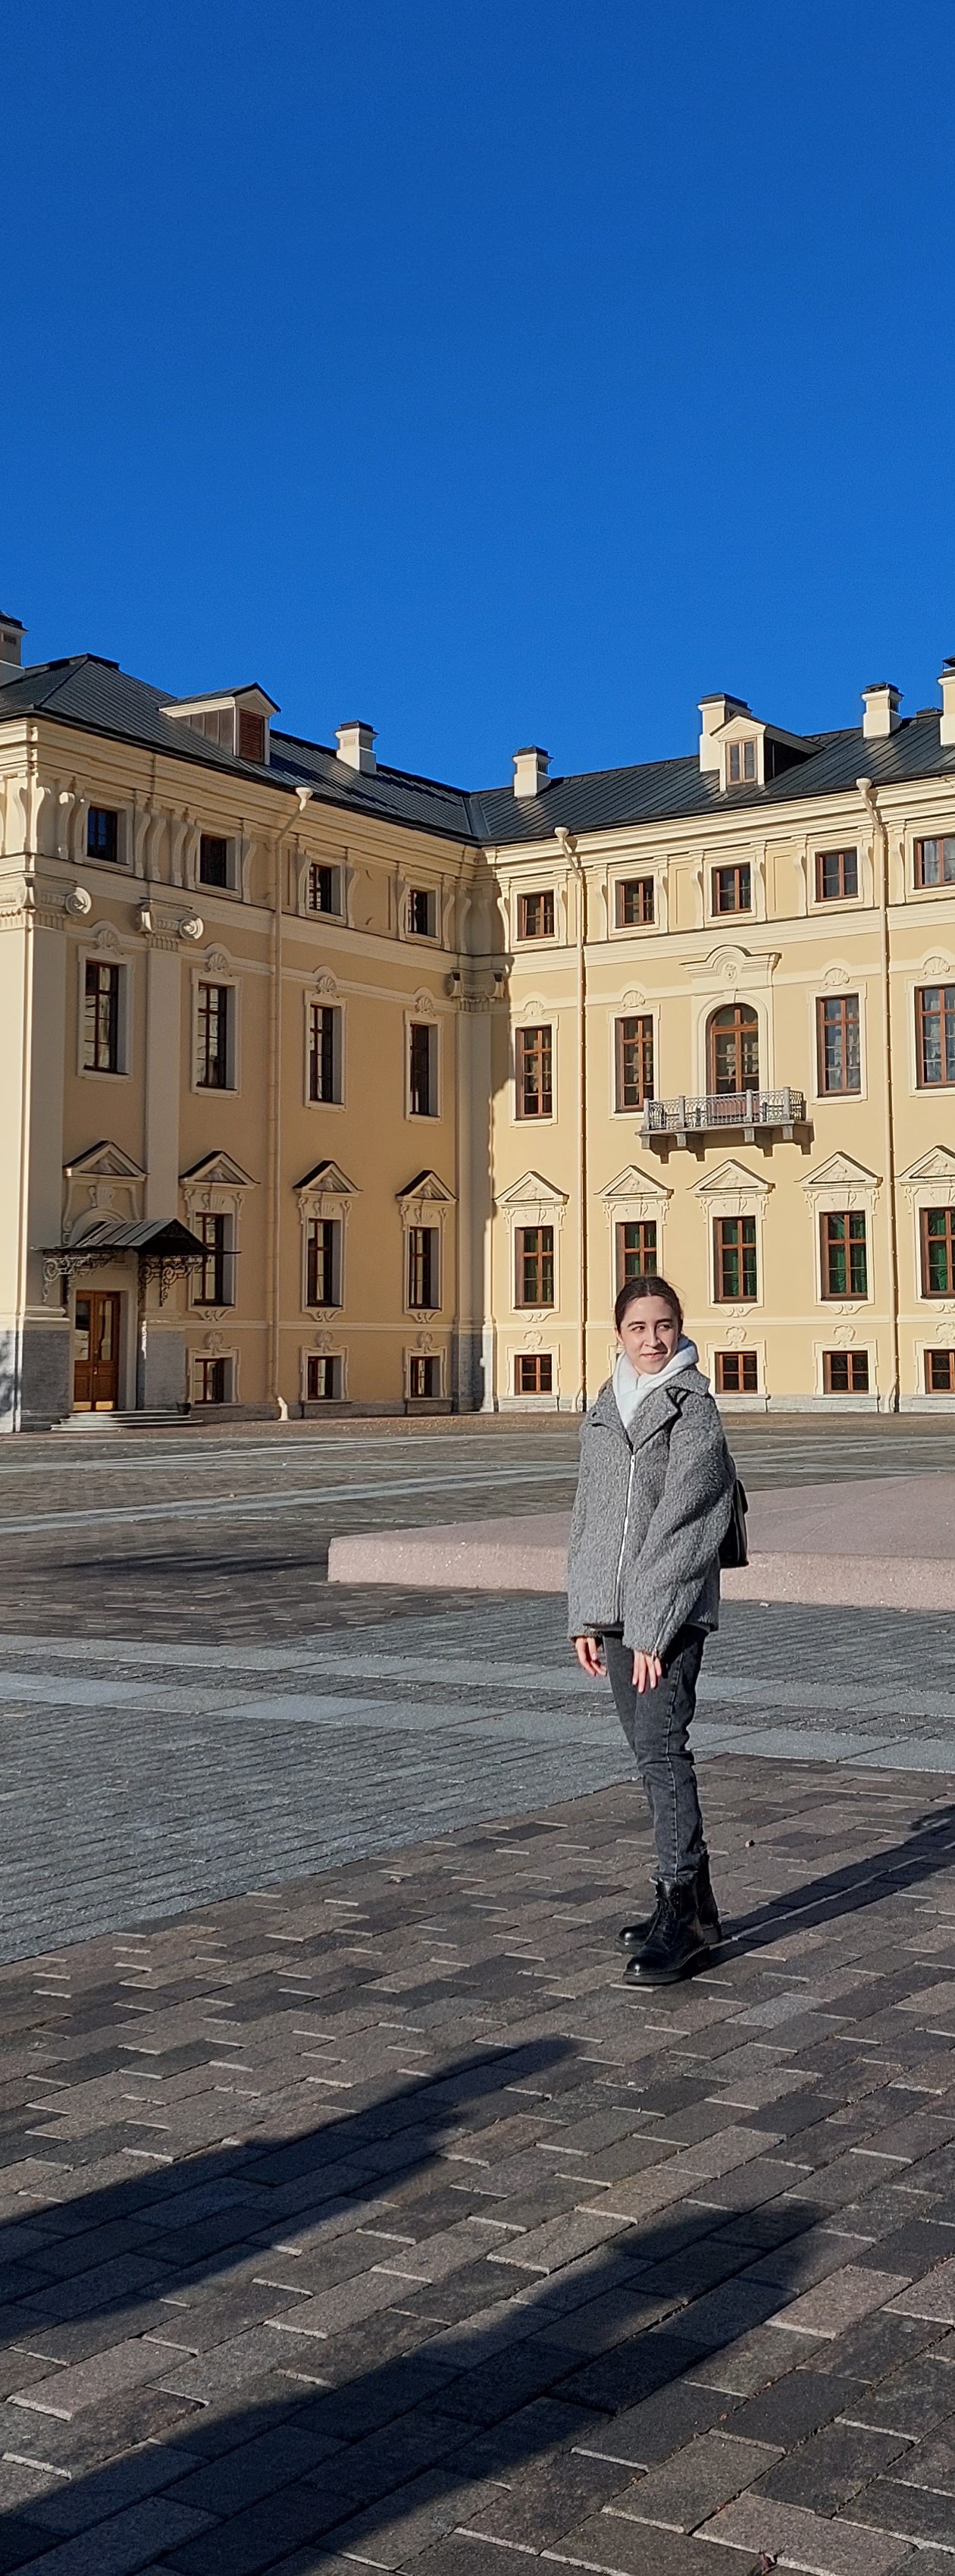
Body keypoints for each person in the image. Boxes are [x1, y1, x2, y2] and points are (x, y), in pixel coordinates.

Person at [568, 1273, 735, 1985]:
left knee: (665, 1751)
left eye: (664, 1325)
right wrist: (584, 1612)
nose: (652, 1339)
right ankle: (698, 1902)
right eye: (638, 1327)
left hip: (669, 1617)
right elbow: (588, 1514)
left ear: (680, 1328)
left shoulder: (693, 1408)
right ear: (619, 1334)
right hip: (615, 1615)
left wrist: (652, 1626)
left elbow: (689, 1525)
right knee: (648, 1753)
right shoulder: (606, 1406)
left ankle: (681, 1910)